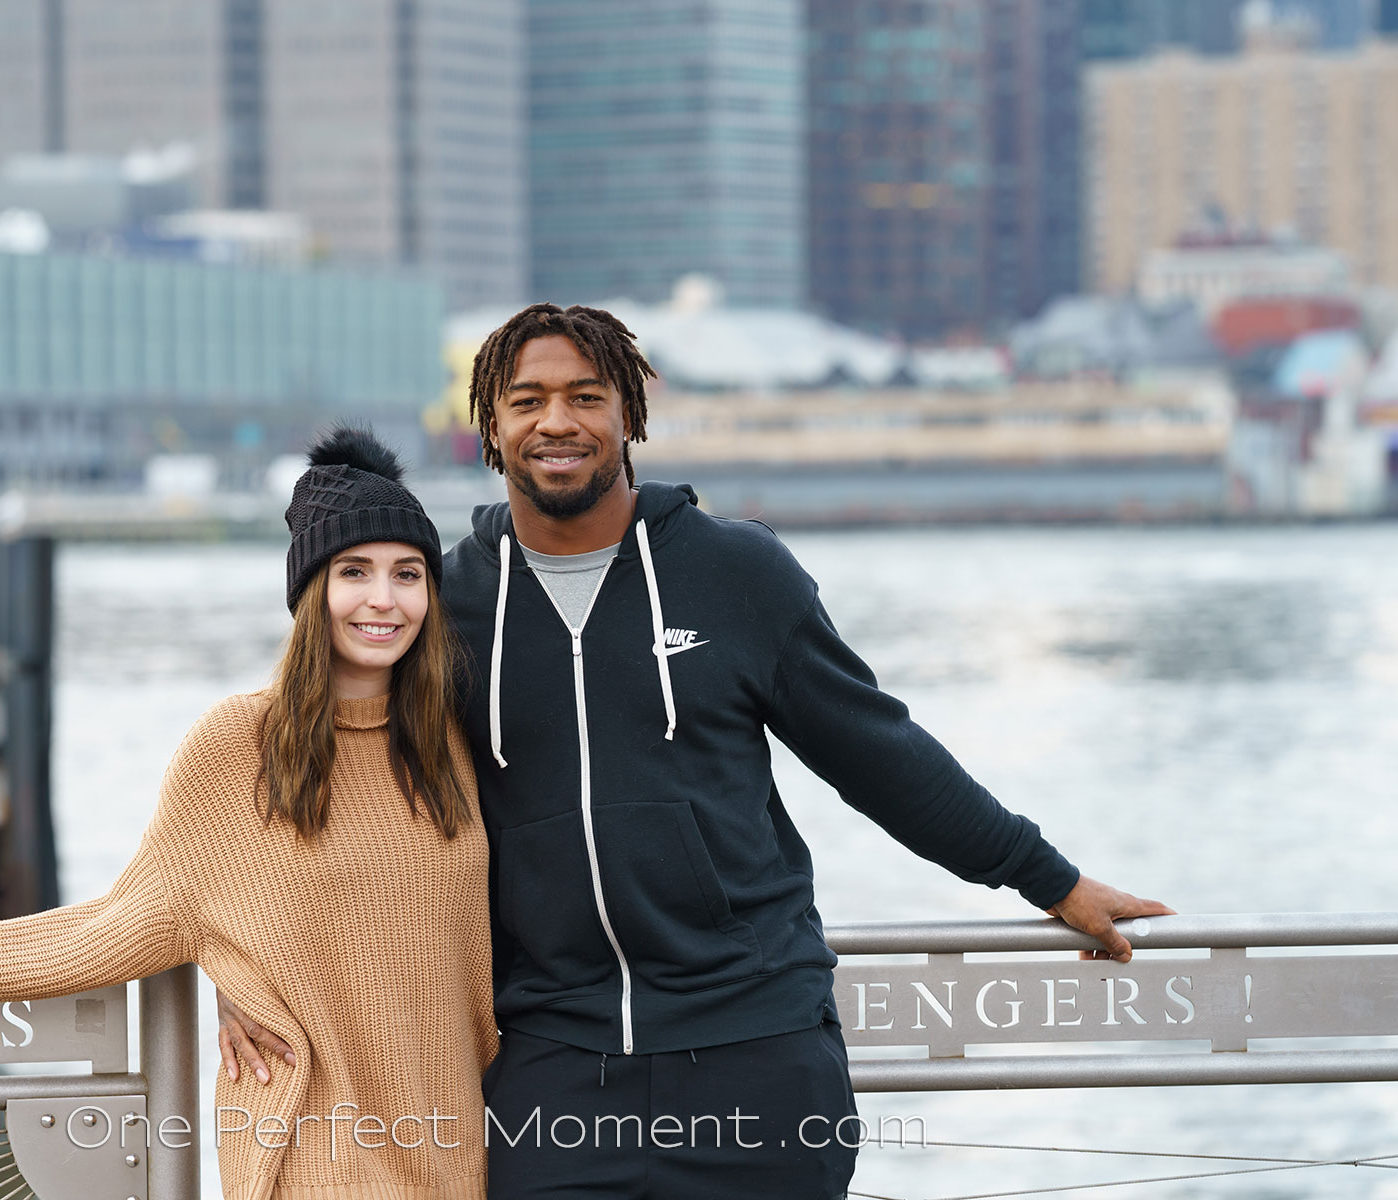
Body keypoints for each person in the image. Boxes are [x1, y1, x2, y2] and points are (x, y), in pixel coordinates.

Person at [218, 304, 1173, 1200]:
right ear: (489, 428)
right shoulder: (449, 603)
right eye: (528, 401)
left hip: (757, 1048)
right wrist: (253, 969)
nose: (559, 421)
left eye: (586, 397)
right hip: (550, 1065)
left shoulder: (736, 572)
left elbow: (882, 757)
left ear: (628, 414)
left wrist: (1048, 878)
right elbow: (340, 799)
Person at [0, 427, 500, 1200]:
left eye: (408, 574)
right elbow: (106, 930)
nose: (384, 599)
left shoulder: (449, 744)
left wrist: (240, 965)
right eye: (355, 572)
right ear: (312, 593)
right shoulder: (239, 747)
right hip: (317, 1171)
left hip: (458, 1160)